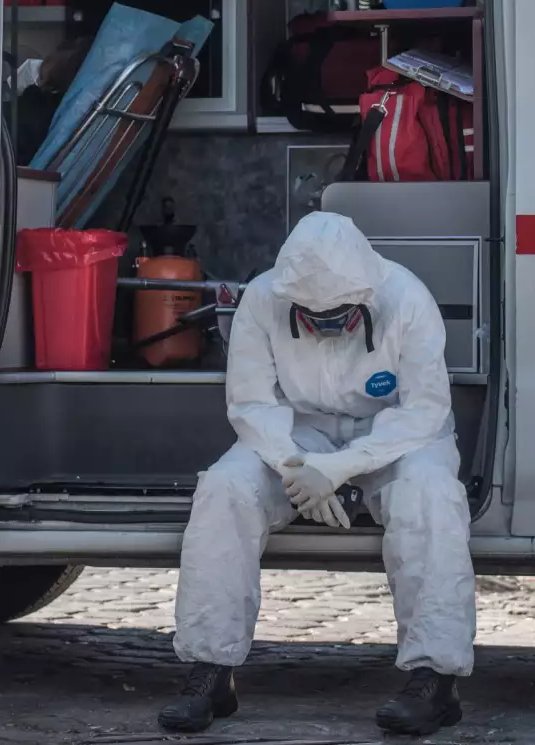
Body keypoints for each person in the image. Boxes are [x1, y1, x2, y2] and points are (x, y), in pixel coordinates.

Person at [157, 212, 476, 737]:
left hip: (395, 432)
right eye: (314, 316)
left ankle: (434, 680)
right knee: (224, 489)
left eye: (341, 316)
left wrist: (343, 466)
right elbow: (252, 404)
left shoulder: (408, 298)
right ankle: (210, 672)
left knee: (432, 497)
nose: (327, 326)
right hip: (297, 432)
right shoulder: (261, 300)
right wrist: (295, 467)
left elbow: (425, 410)